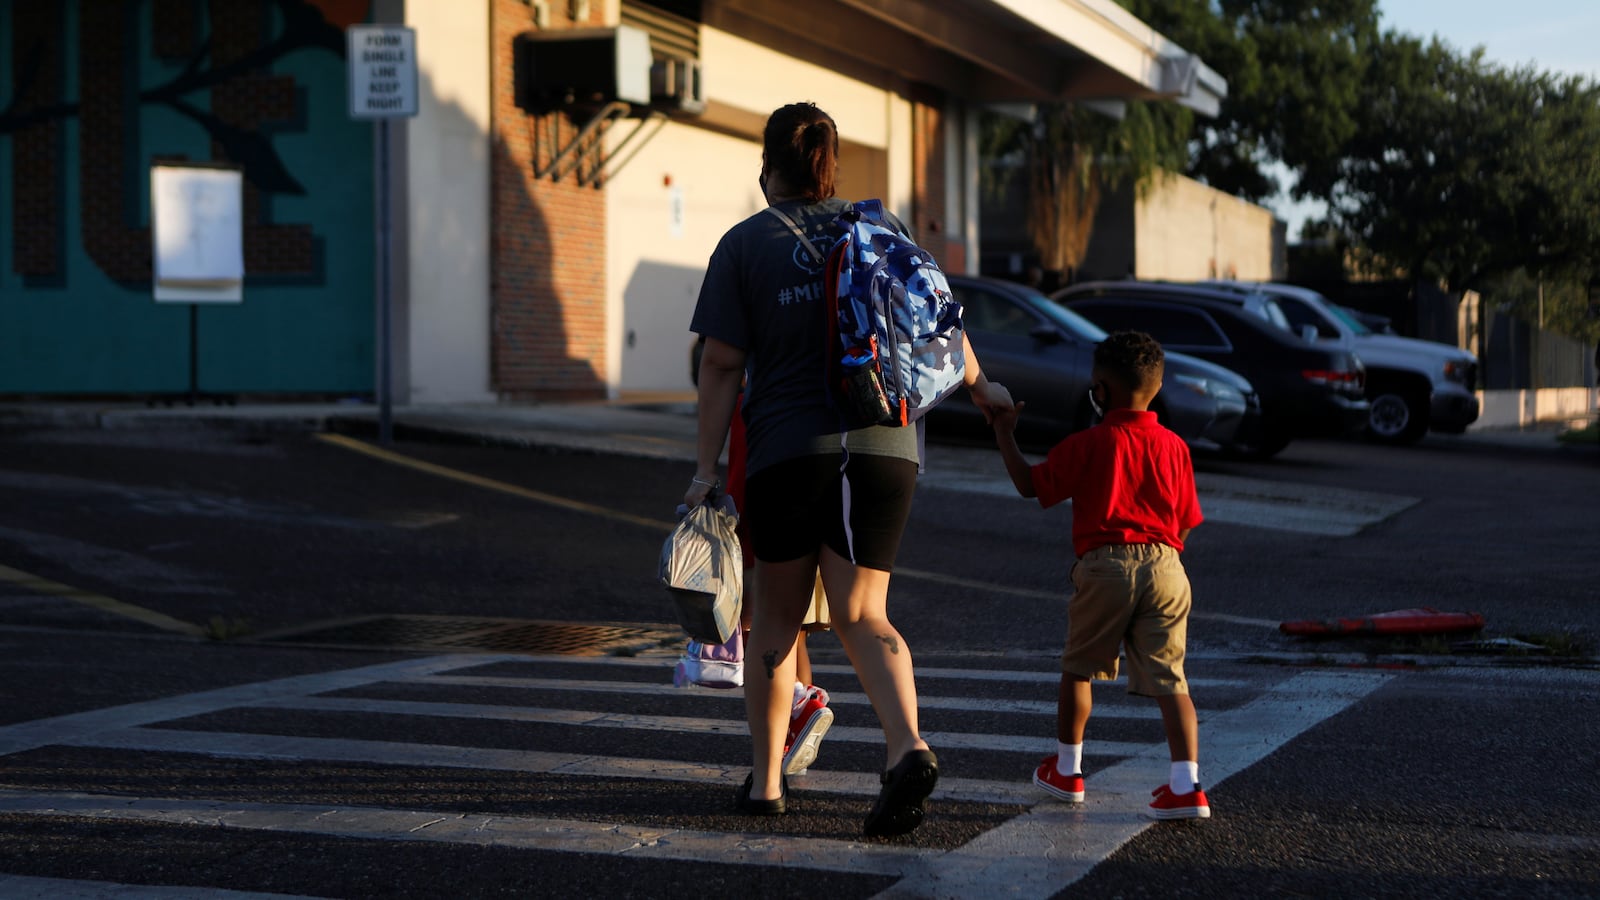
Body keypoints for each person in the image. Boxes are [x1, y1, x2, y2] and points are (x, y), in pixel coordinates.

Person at [685, 101, 1011, 836]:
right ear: (831, 167)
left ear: (769, 166)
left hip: (786, 451)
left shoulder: (745, 243)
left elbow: (721, 361)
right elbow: (939, 325)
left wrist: (706, 468)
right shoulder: (881, 228)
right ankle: (907, 747)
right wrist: (983, 389)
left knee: (775, 616)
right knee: (865, 612)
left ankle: (767, 783)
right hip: (886, 449)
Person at [988, 330, 1211, 820]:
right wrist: (1163, 558)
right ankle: (1187, 783)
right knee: (1172, 679)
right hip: (1169, 567)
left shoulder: (1089, 443)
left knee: (1080, 667)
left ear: (1102, 391)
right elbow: (1187, 520)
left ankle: (1068, 769)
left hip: (1107, 564)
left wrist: (1005, 433)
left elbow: (1031, 486)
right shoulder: (1176, 447)